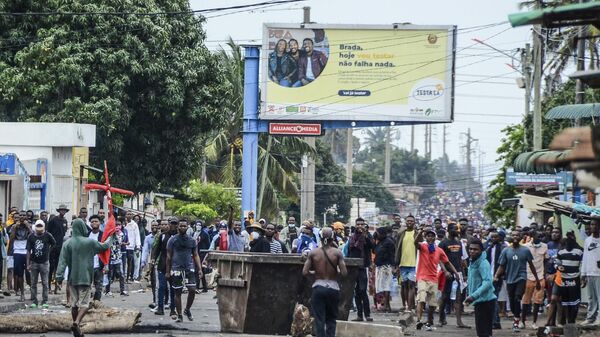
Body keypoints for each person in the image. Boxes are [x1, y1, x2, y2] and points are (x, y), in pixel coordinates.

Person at [55, 219, 112, 337]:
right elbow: (105, 246)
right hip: (85, 277)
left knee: (74, 304)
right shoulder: (89, 242)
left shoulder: (67, 243)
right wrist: (112, 236)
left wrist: (59, 277)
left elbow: (62, 262)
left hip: (72, 278)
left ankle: (77, 329)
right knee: (85, 304)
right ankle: (76, 322)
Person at [303, 228, 348, 337]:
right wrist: (335, 272)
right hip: (333, 288)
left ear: (320, 238)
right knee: (331, 318)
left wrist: (315, 273)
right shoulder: (337, 253)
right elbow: (344, 273)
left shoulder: (313, 253)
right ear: (332, 238)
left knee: (319, 318)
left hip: (318, 287)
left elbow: (304, 272)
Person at [494, 230, 541, 332]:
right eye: (513, 235)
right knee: (511, 301)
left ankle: (516, 321)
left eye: (517, 235)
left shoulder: (525, 250)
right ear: (510, 237)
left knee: (517, 297)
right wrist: (496, 276)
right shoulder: (506, 251)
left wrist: (537, 279)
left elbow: (531, 266)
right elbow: (502, 266)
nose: (515, 236)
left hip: (522, 277)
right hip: (510, 279)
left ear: (520, 237)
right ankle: (516, 317)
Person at [414, 228, 460, 331]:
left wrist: (456, 273)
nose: (430, 237)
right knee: (421, 299)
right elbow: (416, 242)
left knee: (432, 304)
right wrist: (420, 232)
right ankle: (418, 320)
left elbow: (447, 262)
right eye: (428, 236)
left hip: (433, 279)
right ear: (426, 237)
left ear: (435, 238)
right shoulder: (423, 247)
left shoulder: (439, 250)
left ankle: (429, 322)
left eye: (432, 236)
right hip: (422, 277)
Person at [165, 218, 203, 323]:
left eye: (184, 226)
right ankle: (180, 314)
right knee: (178, 292)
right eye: (181, 226)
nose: (182, 227)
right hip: (176, 268)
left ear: (187, 227)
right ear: (178, 227)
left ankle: (187, 309)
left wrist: (199, 269)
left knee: (192, 289)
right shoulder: (172, 240)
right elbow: (168, 256)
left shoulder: (192, 240)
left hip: (189, 268)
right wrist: (168, 271)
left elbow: (196, 255)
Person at [546, 230, 583, 336]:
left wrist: (583, 276)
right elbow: (556, 262)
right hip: (562, 279)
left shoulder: (579, 251)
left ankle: (570, 322)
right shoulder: (561, 251)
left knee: (572, 302)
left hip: (574, 279)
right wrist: (558, 267)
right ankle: (555, 323)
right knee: (560, 301)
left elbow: (583, 262)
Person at [437, 223, 469, 328]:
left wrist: (464, 274)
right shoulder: (443, 243)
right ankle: (441, 318)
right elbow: (439, 259)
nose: (458, 231)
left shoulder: (459, 243)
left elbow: (462, 260)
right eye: (455, 229)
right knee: (445, 296)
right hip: (447, 274)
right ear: (449, 230)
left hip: (458, 273)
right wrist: (445, 271)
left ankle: (459, 321)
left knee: (458, 298)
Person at [465, 238, 497, 337]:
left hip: (485, 301)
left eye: (475, 249)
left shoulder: (483, 263)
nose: (472, 251)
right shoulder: (473, 261)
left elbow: (487, 282)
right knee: (483, 331)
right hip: (480, 301)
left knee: (483, 332)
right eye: (470, 249)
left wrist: (473, 296)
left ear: (481, 250)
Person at [348, 217, 374, 322]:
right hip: (354, 267)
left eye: (361, 224)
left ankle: (367, 314)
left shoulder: (367, 236)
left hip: (363, 267)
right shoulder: (352, 237)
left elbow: (372, 246)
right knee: (356, 291)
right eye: (358, 224)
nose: (359, 226)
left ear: (364, 225)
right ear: (355, 225)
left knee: (363, 291)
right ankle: (359, 315)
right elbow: (350, 251)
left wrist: (365, 235)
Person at [521, 231, 548, 329]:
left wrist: (544, 274)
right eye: (537, 235)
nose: (539, 237)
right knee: (525, 300)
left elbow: (546, 260)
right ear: (532, 236)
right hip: (528, 276)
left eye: (541, 236)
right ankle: (522, 321)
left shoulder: (544, 246)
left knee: (537, 301)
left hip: (540, 277)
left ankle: (534, 322)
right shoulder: (525, 247)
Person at [26, 219, 56, 308]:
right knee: (33, 283)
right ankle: (34, 300)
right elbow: (28, 251)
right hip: (34, 262)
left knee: (45, 283)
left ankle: (44, 301)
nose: (39, 228)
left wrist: (48, 251)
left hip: (44, 262)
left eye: (40, 226)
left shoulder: (48, 235)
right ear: (35, 227)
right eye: (37, 226)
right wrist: (28, 263)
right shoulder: (31, 236)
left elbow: (54, 244)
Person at [152, 218, 177, 316]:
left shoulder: (178, 237)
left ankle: (173, 309)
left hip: (175, 266)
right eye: (172, 224)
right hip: (162, 265)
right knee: (161, 287)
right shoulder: (162, 236)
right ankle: (160, 308)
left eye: (175, 224)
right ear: (169, 224)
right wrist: (153, 259)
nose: (173, 226)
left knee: (173, 288)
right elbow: (157, 249)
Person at [395, 215, 417, 312]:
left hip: (414, 264)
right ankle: (405, 304)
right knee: (404, 285)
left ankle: (410, 306)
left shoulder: (416, 234)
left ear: (414, 223)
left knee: (412, 284)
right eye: (408, 221)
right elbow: (397, 248)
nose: (409, 223)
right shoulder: (401, 234)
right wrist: (396, 264)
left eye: (411, 221)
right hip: (403, 263)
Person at [485, 230, 507, 330]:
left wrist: (500, 275)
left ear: (499, 238)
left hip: (497, 277)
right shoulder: (488, 248)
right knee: (491, 299)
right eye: (492, 237)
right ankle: (494, 321)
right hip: (488, 276)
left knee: (494, 298)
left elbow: (504, 264)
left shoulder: (503, 248)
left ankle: (495, 321)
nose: (493, 239)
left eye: (495, 237)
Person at [9, 213, 31, 301]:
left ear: (25, 217)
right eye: (20, 215)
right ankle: (22, 293)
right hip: (17, 251)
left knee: (29, 272)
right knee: (19, 273)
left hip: (27, 251)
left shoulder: (28, 226)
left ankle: (31, 289)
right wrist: (15, 228)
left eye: (23, 215)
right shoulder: (14, 226)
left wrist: (28, 227)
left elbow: (33, 235)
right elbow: (11, 239)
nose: (21, 217)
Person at [582, 219, 600, 325]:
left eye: (595, 225)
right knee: (591, 297)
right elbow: (585, 257)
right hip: (589, 272)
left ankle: (599, 318)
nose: (593, 227)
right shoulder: (587, 240)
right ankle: (590, 317)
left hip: (599, 273)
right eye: (592, 224)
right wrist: (583, 273)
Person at [47, 204, 68, 293]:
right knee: (51, 267)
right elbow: (48, 232)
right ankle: (49, 287)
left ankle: (56, 287)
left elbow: (64, 233)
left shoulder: (65, 221)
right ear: (59, 211)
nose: (63, 211)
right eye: (61, 210)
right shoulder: (53, 220)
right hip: (53, 247)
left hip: (61, 247)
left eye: (64, 210)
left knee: (58, 268)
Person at [374, 227, 395, 312]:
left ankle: (387, 305)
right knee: (382, 287)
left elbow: (392, 255)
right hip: (380, 266)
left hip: (386, 267)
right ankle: (385, 305)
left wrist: (394, 266)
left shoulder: (389, 242)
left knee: (386, 287)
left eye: (378, 233)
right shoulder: (380, 242)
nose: (377, 235)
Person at [104, 222, 127, 297]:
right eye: (115, 226)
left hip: (118, 257)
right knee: (109, 275)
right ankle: (107, 291)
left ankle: (122, 290)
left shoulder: (120, 235)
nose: (117, 228)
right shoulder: (109, 237)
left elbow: (121, 242)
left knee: (121, 274)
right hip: (110, 258)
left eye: (118, 226)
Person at [87, 215, 104, 302]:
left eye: (96, 221)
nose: (94, 223)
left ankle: (97, 302)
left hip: (99, 264)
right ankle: (86, 304)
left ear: (99, 223)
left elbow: (107, 250)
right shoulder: (87, 235)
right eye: (92, 221)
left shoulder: (103, 235)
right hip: (88, 265)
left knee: (98, 286)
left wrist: (106, 265)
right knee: (87, 285)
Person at [142, 220, 159, 307]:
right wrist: (143, 261)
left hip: (160, 261)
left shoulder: (161, 236)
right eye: (153, 225)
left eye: (156, 225)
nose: (154, 227)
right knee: (153, 281)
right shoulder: (148, 238)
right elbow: (145, 250)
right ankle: (154, 299)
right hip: (151, 262)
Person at [124, 211, 141, 283]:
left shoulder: (134, 225)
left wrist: (138, 245)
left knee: (130, 262)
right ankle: (124, 276)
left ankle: (129, 277)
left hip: (131, 246)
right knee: (124, 262)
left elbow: (137, 235)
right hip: (123, 246)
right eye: (128, 214)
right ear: (126, 215)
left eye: (130, 214)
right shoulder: (123, 224)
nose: (129, 215)